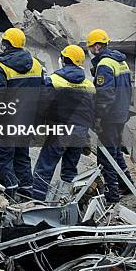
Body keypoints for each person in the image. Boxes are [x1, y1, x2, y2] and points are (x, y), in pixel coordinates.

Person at [32, 45, 95, 201]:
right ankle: (68, 201)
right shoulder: (88, 84)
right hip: (80, 132)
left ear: (64, 60)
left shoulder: (54, 80)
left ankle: (36, 202)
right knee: (69, 171)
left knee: (44, 168)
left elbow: (42, 105)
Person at [0, 28, 43, 199]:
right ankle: (27, 191)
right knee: (22, 156)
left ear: (6, 44)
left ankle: (10, 194)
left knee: (5, 158)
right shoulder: (36, 64)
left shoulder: (1, 67)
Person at [87, 28, 133, 203]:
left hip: (110, 115)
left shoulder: (105, 64)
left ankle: (112, 193)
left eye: (91, 47)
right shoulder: (120, 61)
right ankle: (126, 183)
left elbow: (105, 94)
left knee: (106, 154)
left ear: (98, 46)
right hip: (121, 112)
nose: (91, 51)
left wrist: (98, 117)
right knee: (115, 151)